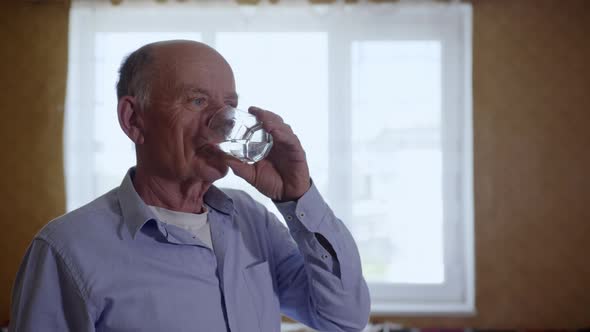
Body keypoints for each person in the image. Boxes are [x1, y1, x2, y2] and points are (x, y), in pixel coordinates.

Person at [9, 40, 370, 332]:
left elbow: (343, 318)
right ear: (133, 120)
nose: (223, 123)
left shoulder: (252, 220)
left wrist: (297, 196)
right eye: (197, 101)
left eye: (229, 105)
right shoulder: (65, 250)